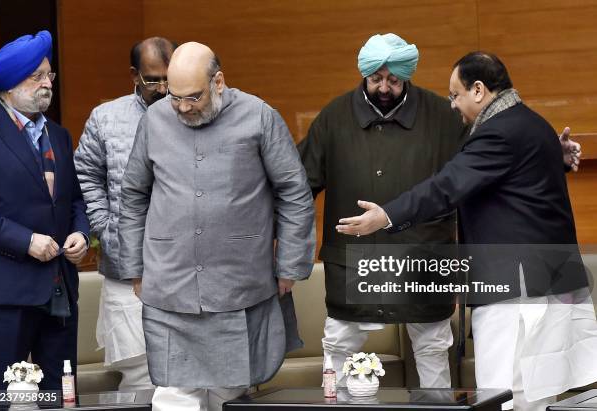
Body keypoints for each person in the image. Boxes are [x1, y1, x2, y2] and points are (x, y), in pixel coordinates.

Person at [298, 33, 581, 389]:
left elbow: (469, 173)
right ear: (364, 75)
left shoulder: (445, 117)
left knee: (435, 352)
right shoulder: (334, 117)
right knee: (338, 347)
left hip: (424, 260)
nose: (384, 87)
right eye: (376, 79)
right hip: (357, 262)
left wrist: (546, 154)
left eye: (394, 80)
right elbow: (298, 185)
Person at [118, 42, 315, 411]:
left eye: (193, 97)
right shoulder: (155, 119)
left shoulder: (259, 116)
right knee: (173, 396)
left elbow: (294, 192)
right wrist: (133, 268)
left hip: (239, 282)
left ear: (218, 82)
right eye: (173, 97)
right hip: (168, 282)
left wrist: (289, 264)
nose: (182, 108)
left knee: (229, 395)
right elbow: (132, 195)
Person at [0, 30, 89, 390]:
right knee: (0, 397)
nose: (48, 84)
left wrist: (80, 233)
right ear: (10, 85)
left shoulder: (59, 135)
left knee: (60, 396)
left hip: (60, 291)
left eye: (50, 76)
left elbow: (74, 200)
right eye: (37, 77)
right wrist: (26, 240)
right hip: (6, 296)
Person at [74, 36, 176, 391]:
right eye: (153, 80)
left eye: (170, 77)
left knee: (185, 373)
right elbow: (85, 174)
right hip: (126, 266)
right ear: (134, 75)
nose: (163, 88)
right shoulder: (106, 118)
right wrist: (104, 225)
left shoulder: (194, 111)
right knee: (138, 373)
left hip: (183, 265)